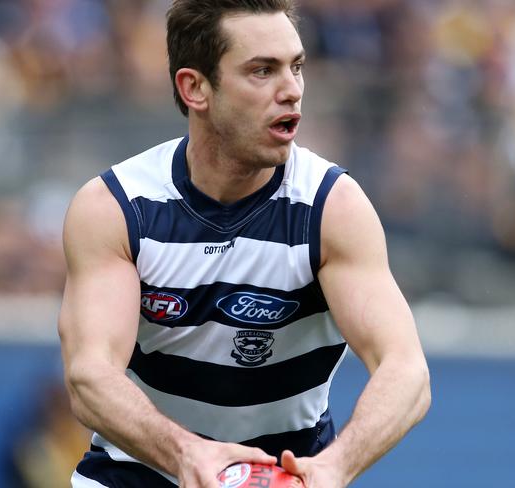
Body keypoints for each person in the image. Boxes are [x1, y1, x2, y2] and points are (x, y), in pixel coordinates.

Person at [58, 1, 431, 487]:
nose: (292, 90)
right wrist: (186, 455)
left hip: (288, 475)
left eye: (296, 67)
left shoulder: (331, 208)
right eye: (262, 71)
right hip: (136, 473)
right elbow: (90, 378)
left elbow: (406, 371)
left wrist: (335, 468)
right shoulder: (116, 208)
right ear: (195, 88)